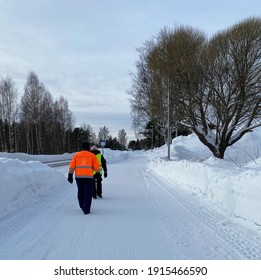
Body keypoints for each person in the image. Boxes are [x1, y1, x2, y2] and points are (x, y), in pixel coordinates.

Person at [67, 142, 100, 215]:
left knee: (80, 191)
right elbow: (97, 167)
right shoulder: (92, 155)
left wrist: (70, 175)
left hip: (79, 178)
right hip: (89, 178)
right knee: (88, 193)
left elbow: (72, 166)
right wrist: (98, 175)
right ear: (88, 148)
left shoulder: (76, 155)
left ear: (81, 148)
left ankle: (82, 205)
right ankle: (87, 209)